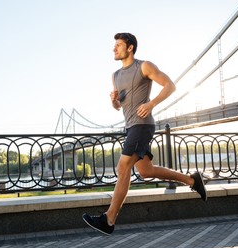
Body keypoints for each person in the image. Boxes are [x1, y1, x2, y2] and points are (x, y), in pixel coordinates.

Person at [82, 32, 207, 235]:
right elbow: (118, 107)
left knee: (123, 166)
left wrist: (151, 104)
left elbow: (170, 86)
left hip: (142, 125)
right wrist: (113, 100)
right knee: (146, 171)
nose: (114, 49)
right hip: (130, 126)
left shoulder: (144, 66)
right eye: (114, 45)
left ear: (130, 47)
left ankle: (109, 219)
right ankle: (192, 181)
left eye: (119, 45)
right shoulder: (115, 75)